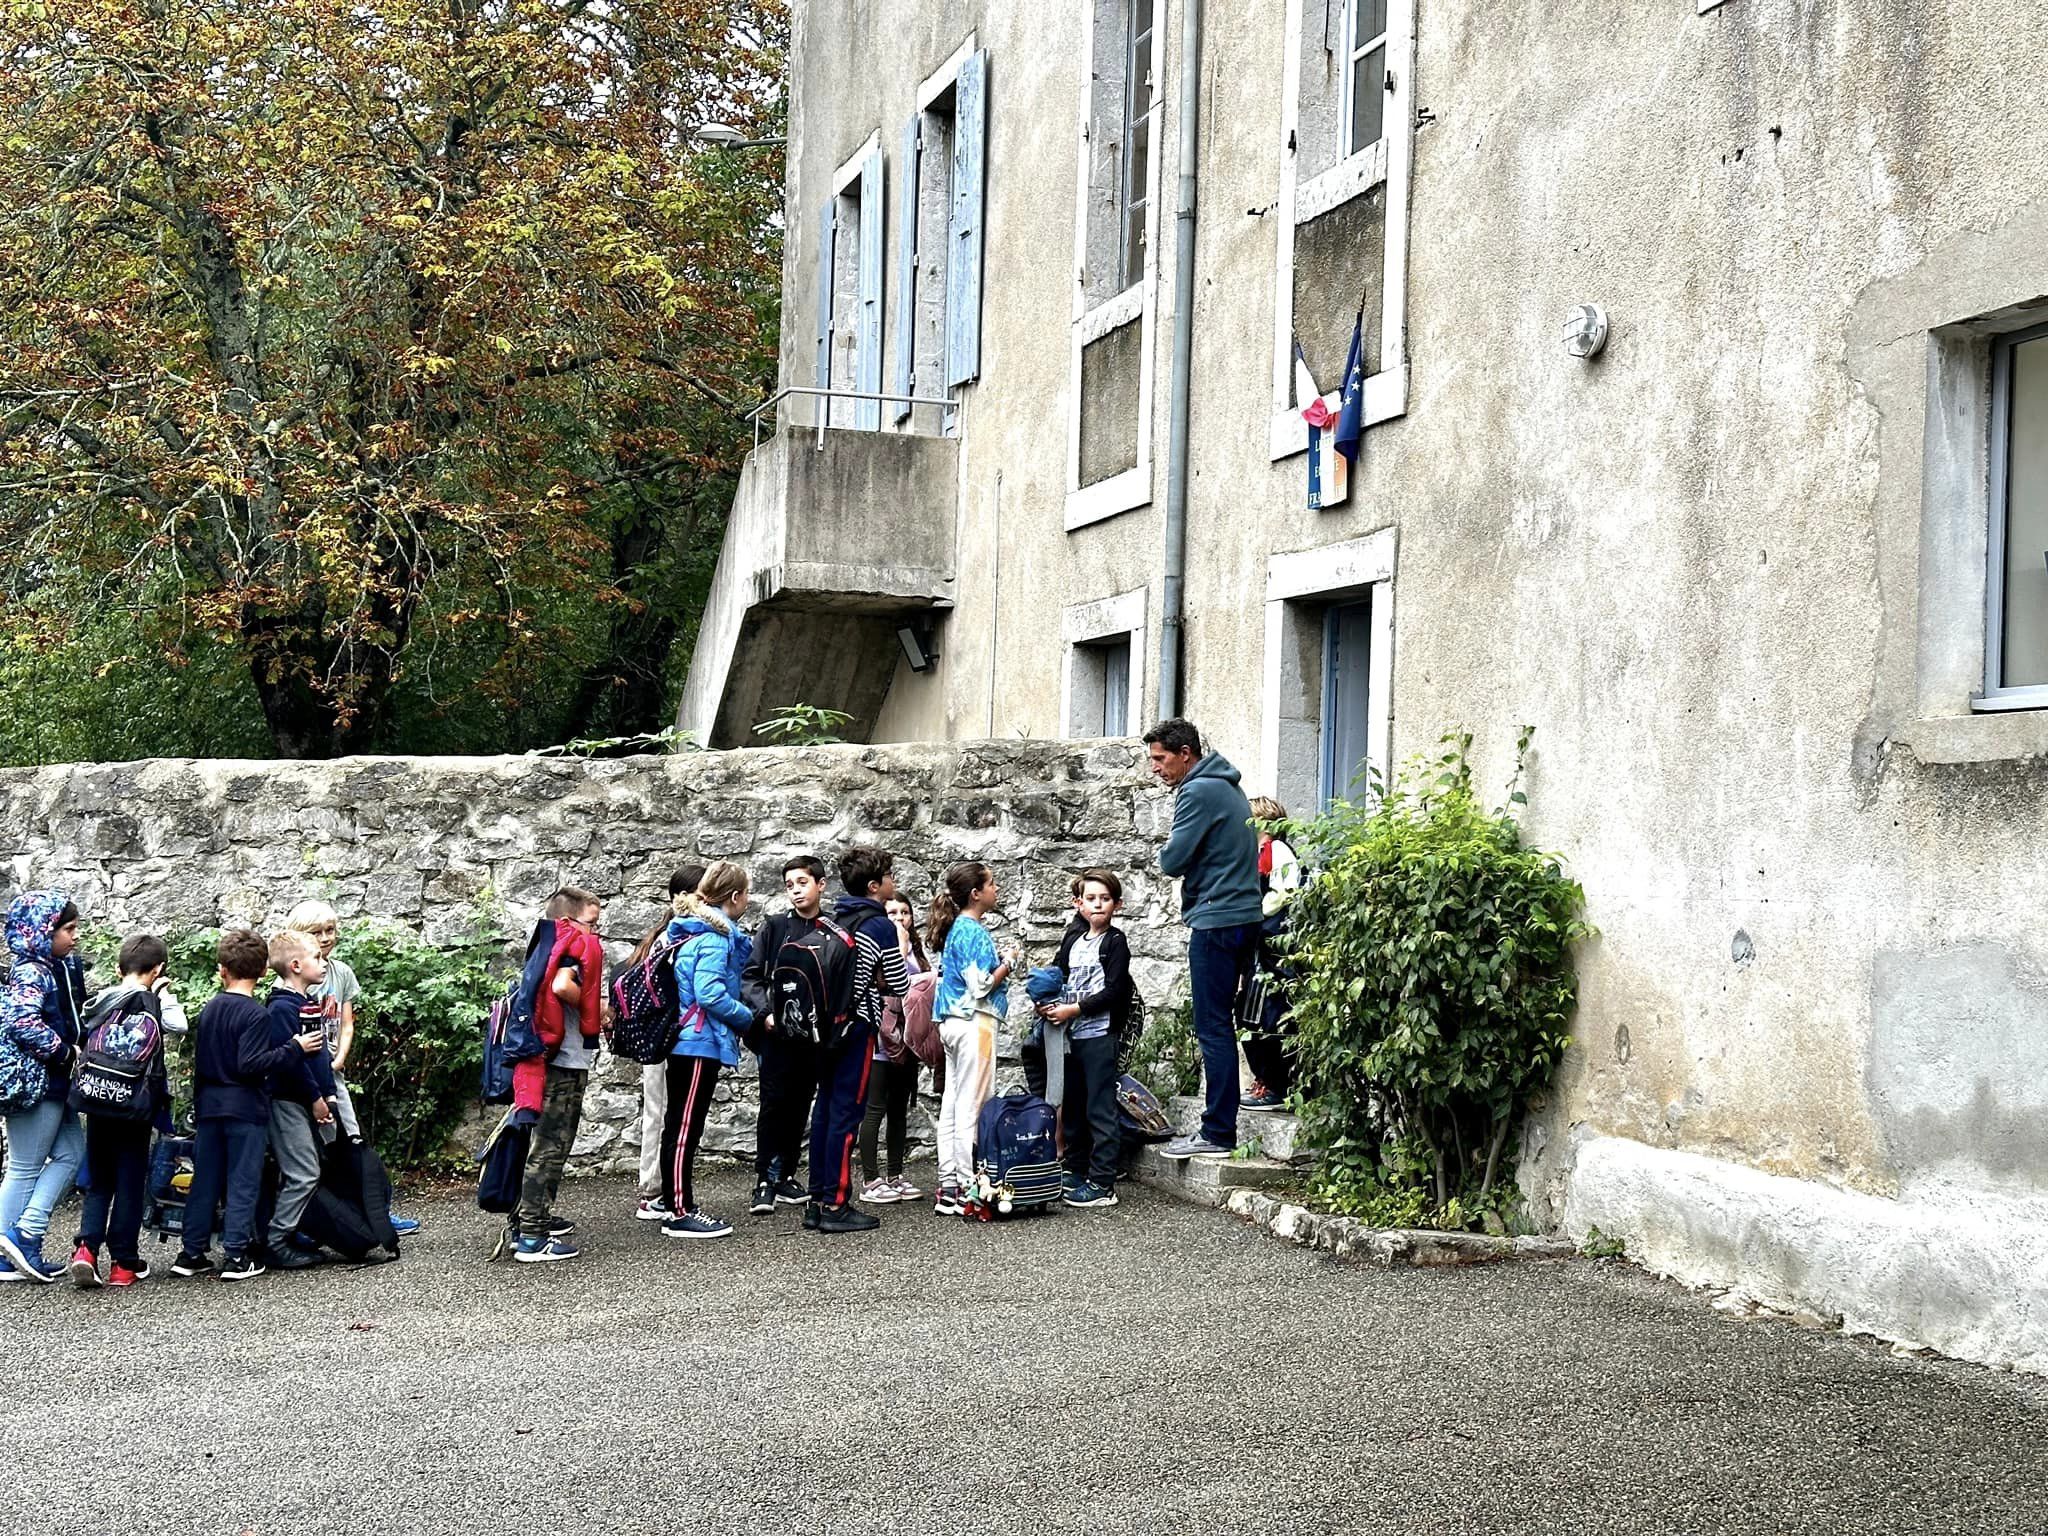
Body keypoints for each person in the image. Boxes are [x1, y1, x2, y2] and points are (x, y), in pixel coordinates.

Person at [175, 929, 325, 1282]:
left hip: (210, 1106)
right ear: (262, 972)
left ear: (222, 970)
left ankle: (191, 1251)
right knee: (243, 1181)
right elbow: (251, 1063)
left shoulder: (211, 1008)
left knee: (206, 1180)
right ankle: (237, 1254)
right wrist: (294, 1048)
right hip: (244, 1108)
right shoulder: (257, 1015)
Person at [1146, 718, 1265, 1160]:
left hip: (1216, 918)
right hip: (1244, 915)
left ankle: (1217, 1132)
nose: (1155, 768)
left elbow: (1173, 859)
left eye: (1160, 759)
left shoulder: (1197, 791)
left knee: (1212, 1026)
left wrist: (1166, 851)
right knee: (1227, 1024)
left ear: (1185, 753)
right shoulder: (1227, 786)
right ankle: (1221, 1124)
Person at [66, 934, 186, 1288]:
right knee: (131, 1182)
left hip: (98, 1098)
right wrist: (162, 994)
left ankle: (86, 1250)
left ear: (119, 969)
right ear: (159, 968)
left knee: (100, 1180)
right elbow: (179, 1025)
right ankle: (123, 1263)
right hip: (135, 1104)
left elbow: (83, 1026)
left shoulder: (102, 1001)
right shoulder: (155, 1002)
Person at [809, 846, 907, 1235]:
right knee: (849, 1113)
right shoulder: (879, 924)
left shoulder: (834, 919)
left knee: (825, 1109)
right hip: (856, 1025)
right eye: (889, 877)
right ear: (874, 886)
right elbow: (898, 984)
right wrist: (881, 977)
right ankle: (837, 1203)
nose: (893, 883)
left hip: (825, 1028)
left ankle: (818, 1198)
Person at [505, 887, 605, 1265]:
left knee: (541, 1146)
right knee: (550, 1148)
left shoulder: (549, 945)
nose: (596, 932)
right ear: (569, 921)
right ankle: (531, 1236)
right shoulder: (571, 946)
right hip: (562, 1064)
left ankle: (529, 1222)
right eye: (592, 923)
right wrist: (596, 1007)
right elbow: (564, 986)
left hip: (548, 1061)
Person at [658, 863, 754, 1240]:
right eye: (746, 893)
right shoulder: (714, 937)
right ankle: (679, 1212)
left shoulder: (692, 930)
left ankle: (674, 1203)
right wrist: (747, 1018)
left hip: (689, 1040)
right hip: (698, 1042)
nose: (748, 900)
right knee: (685, 1129)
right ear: (733, 897)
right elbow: (710, 994)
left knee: (678, 1126)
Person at [0, 891, 86, 1283]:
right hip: (36, 1083)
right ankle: (14, 1243)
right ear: (41, 931)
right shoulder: (33, 971)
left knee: (71, 1153)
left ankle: (21, 1237)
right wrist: (66, 1052)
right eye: (68, 929)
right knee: (24, 1166)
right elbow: (22, 1021)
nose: (75, 937)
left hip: (53, 1082)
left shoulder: (53, 967)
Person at [1038, 870, 1133, 1209]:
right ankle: (1075, 1170)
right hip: (1072, 1037)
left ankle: (1103, 1183)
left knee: (1100, 1108)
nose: (1098, 904)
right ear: (1079, 904)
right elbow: (1057, 977)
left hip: (1099, 1036)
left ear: (1117, 905)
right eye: (1091, 899)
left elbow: (1114, 991)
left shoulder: (1115, 942)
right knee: (1074, 1105)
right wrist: (1045, 1001)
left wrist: (1074, 1009)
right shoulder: (1074, 941)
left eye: (1105, 899)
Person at [927, 862, 1018, 1216]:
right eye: (991, 884)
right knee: (974, 1103)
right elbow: (980, 984)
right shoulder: (973, 931)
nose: (996, 889)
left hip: (950, 1021)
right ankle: (969, 1186)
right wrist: (1008, 961)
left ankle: (949, 1183)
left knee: (952, 1101)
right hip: (974, 1022)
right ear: (976, 894)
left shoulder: (955, 930)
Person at [740, 856, 828, 1216]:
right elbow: (751, 977)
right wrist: (767, 1013)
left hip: (813, 1037)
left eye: (802, 882)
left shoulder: (830, 930)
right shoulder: (774, 928)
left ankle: (787, 1173)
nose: (795, 890)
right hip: (776, 1035)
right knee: (774, 1104)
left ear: (820, 884)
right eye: (789, 884)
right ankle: (764, 1179)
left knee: (801, 1103)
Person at [633, 863, 705, 1221]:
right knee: (660, 1110)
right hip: (667, 1034)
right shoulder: (672, 937)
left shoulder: (673, 934)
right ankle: (652, 1191)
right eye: (698, 893)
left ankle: (660, 1189)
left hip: (669, 1034)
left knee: (664, 1111)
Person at [264, 929, 340, 1270]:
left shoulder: (305, 1003)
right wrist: (315, 1098)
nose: (323, 964)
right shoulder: (282, 1008)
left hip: (306, 1100)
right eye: (317, 959)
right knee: (304, 1173)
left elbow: (317, 1058)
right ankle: (276, 1238)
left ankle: (290, 1230)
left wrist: (328, 1094)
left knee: (307, 1169)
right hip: (289, 1101)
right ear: (296, 965)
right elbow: (291, 1065)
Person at [859, 895, 929, 1205]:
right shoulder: (882, 948)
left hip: (907, 1044)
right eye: (892, 912)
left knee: (899, 1110)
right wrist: (898, 945)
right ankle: (870, 1179)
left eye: (905, 912)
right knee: (875, 1108)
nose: (899, 917)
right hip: (881, 1042)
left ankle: (895, 1175)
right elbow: (890, 982)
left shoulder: (918, 952)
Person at [1241, 797, 1303, 1112]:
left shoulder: (1277, 851)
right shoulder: (1256, 854)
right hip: (1259, 945)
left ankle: (1275, 1084)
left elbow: (1283, 895)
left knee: (1270, 1015)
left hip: (1273, 946)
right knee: (1250, 1015)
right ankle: (1264, 1080)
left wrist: (1255, 913)